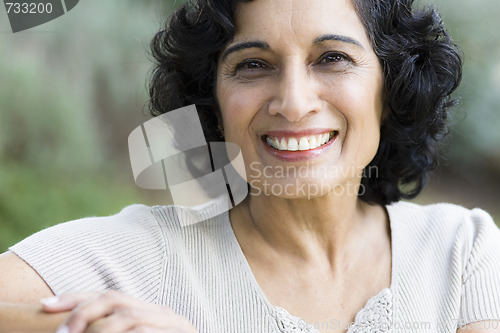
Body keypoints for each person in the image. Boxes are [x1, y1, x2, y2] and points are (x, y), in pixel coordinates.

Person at [1, 0, 500, 332]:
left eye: (331, 58)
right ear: (214, 103)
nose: (293, 102)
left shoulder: (462, 252)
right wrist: (81, 326)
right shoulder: (140, 255)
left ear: (390, 90)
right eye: (253, 65)